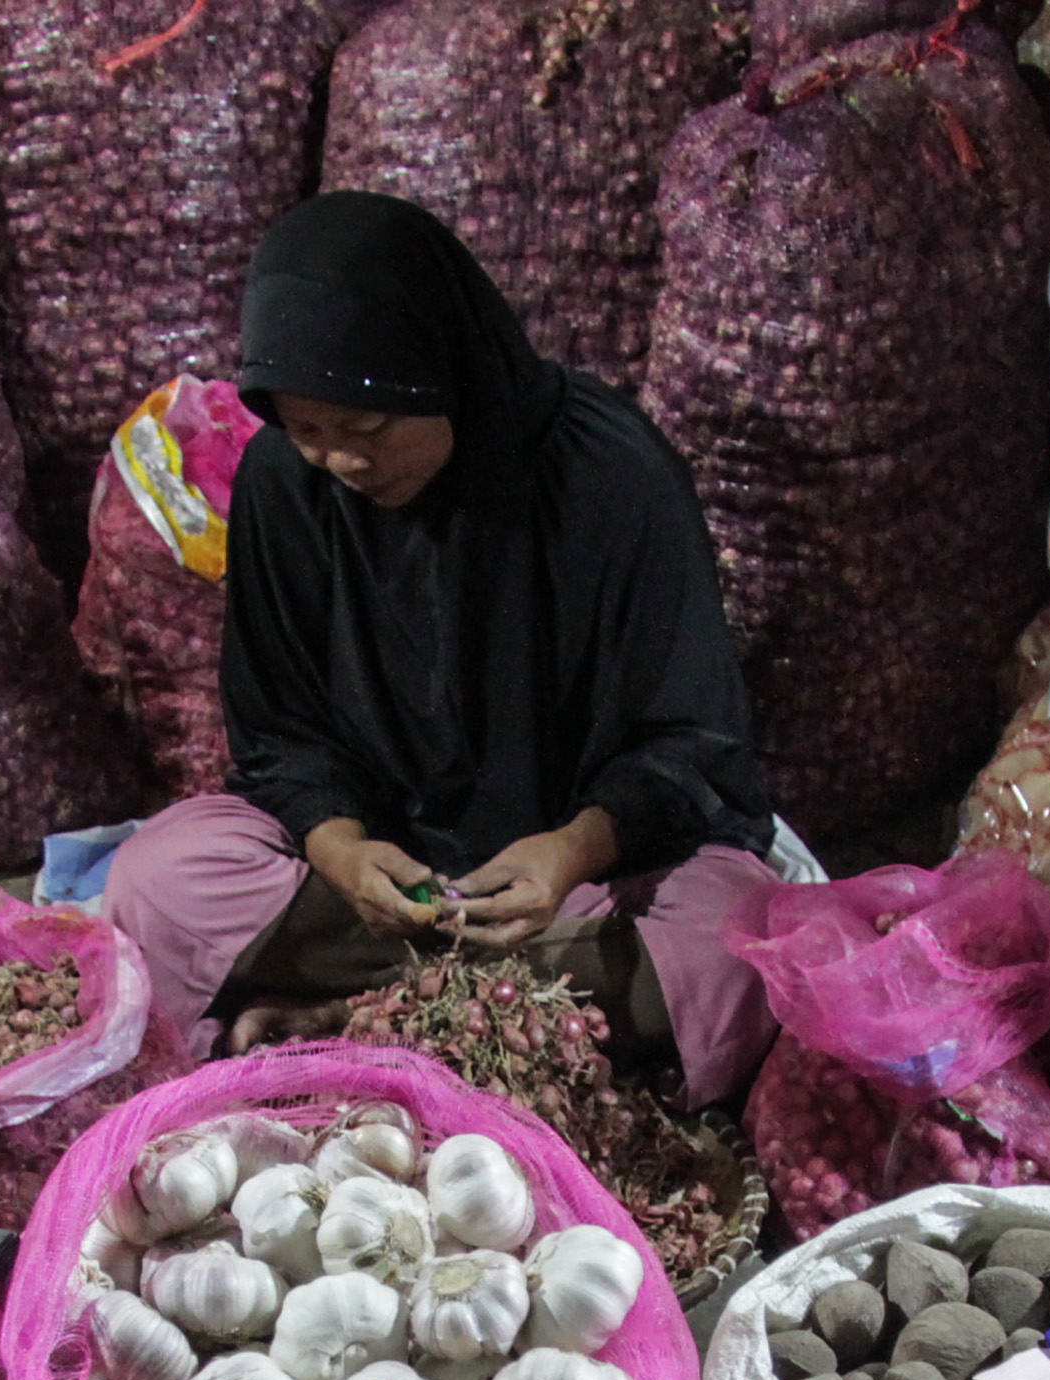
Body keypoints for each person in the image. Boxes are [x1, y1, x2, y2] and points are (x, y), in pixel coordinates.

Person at [103, 193, 786, 1101]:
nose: (341, 463)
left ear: (447, 375)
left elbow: (690, 739)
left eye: (368, 430)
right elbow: (279, 730)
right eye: (309, 433)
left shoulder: (611, 478)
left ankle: (349, 1019)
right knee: (157, 877)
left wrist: (570, 852)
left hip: (576, 877)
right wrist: (342, 850)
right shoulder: (284, 485)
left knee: (742, 935)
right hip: (385, 888)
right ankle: (487, 1021)